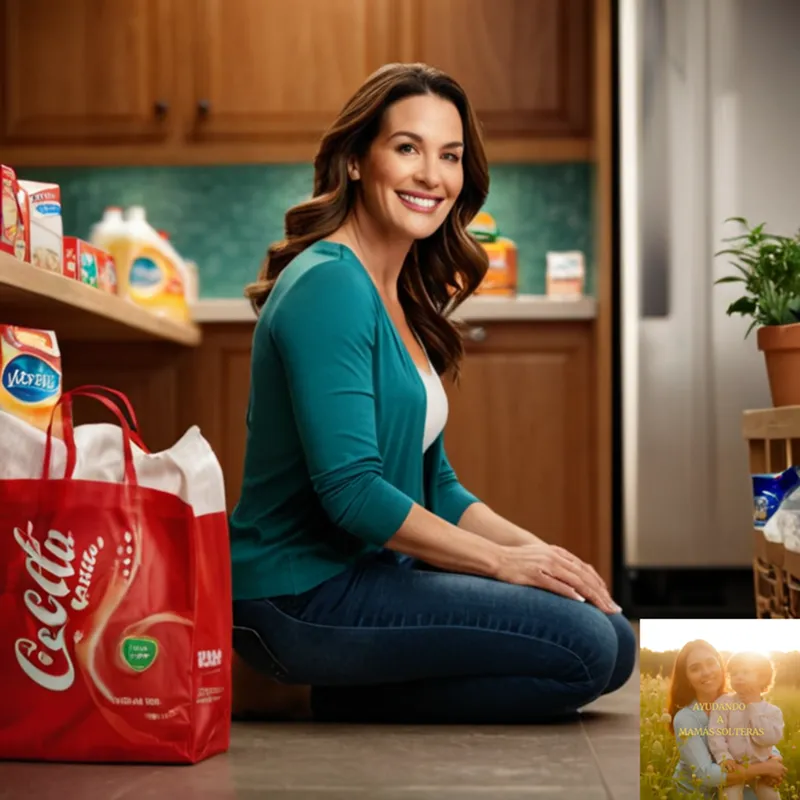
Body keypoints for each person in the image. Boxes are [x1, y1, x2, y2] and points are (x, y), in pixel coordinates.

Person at [228, 62, 636, 724]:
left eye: (449, 156)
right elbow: (352, 492)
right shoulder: (331, 286)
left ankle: (359, 687)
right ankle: (337, 693)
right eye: (407, 148)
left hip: (369, 574)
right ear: (358, 161)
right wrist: (500, 565)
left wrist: (543, 557)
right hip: (300, 597)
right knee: (586, 649)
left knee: (613, 638)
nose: (431, 176)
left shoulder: (399, 293)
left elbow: (435, 483)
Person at [668, 640, 786, 798]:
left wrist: (775, 759)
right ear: (687, 678)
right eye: (695, 668)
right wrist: (765, 768)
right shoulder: (685, 719)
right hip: (698, 793)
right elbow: (706, 774)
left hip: (737, 782)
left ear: (721, 666)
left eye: (711, 663)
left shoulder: (739, 701)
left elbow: (756, 736)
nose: (706, 672)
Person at [706, 652, 785, 800]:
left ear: (762, 678)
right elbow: (716, 732)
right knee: (729, 797)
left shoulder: (773, 712)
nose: (739, 677)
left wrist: (753, 706)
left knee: (771, 796)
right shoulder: (723, 703)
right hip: (734, 767)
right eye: (734, 673)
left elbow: (767, 739)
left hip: (762, 769)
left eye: (746, 672)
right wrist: (724, 757)